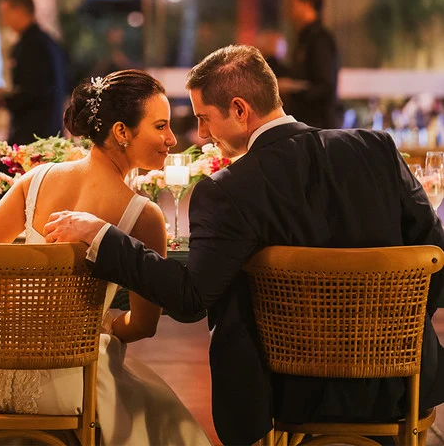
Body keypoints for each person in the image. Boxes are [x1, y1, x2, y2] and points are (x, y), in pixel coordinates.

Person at [44, 46, 444, 446]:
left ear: (239, 110)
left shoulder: (229, 191)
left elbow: (190, 298)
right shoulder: (376, 150)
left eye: (204, 119)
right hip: (397, 385)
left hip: (286, 393)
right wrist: (386, 337)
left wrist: (101, 236)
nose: (201, 134)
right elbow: (436, 264)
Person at [0, 70, 211, 446]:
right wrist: (99, 330)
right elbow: (144, 326)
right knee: (168, 422)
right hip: (70, 382)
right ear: (122, 132)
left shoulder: (34, 181)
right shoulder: (143, 216)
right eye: (161, 126)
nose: (171, 140)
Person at [0, 0, 68, 148]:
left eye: (5, 13)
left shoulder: (32, 45)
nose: (3, 20)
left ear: (19, 11)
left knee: (7, 170)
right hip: (46, 128)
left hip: (34, 132)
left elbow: (36, 90)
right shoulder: (45, 41)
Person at [279, 0, 339, 128]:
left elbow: (324, 86)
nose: (288, 9)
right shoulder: (304, 37)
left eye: (292, 3)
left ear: (307, 4)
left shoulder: (320, 38)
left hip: (317, 125)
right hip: (305, 123)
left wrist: (293, 88)